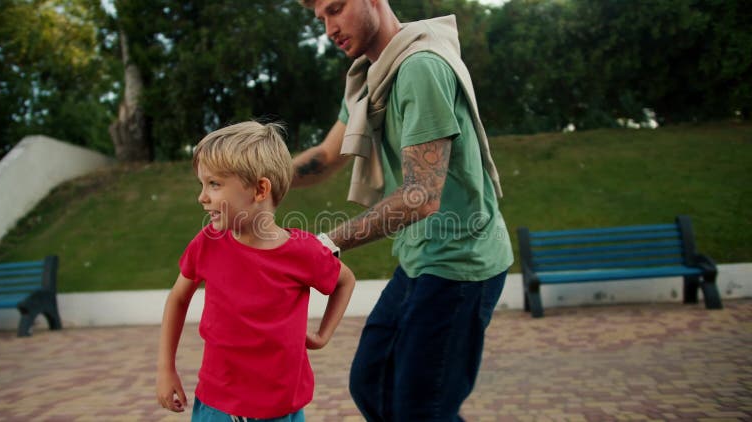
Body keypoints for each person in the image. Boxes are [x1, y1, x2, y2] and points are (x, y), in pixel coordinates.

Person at [291, 0, 514, 420]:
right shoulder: (367, 77)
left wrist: (324, 244)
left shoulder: (419, 67)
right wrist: (257, 182)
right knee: (372, 383)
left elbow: (421, 195)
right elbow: (326, 154)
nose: (328, 29)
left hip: (461, 263)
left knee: (421, 409)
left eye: (336, 9)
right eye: (321, 18)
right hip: (420, 258)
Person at [156, 121, 356, 421]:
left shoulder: (304, 251)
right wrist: (165, 368)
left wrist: (322, 335)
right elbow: (177, 299)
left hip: (281, 409)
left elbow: (345, 281)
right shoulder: (207, 243)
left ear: (260, 189)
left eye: (214, 184)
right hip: (217, 405)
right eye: (202, 184)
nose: (202, 196)